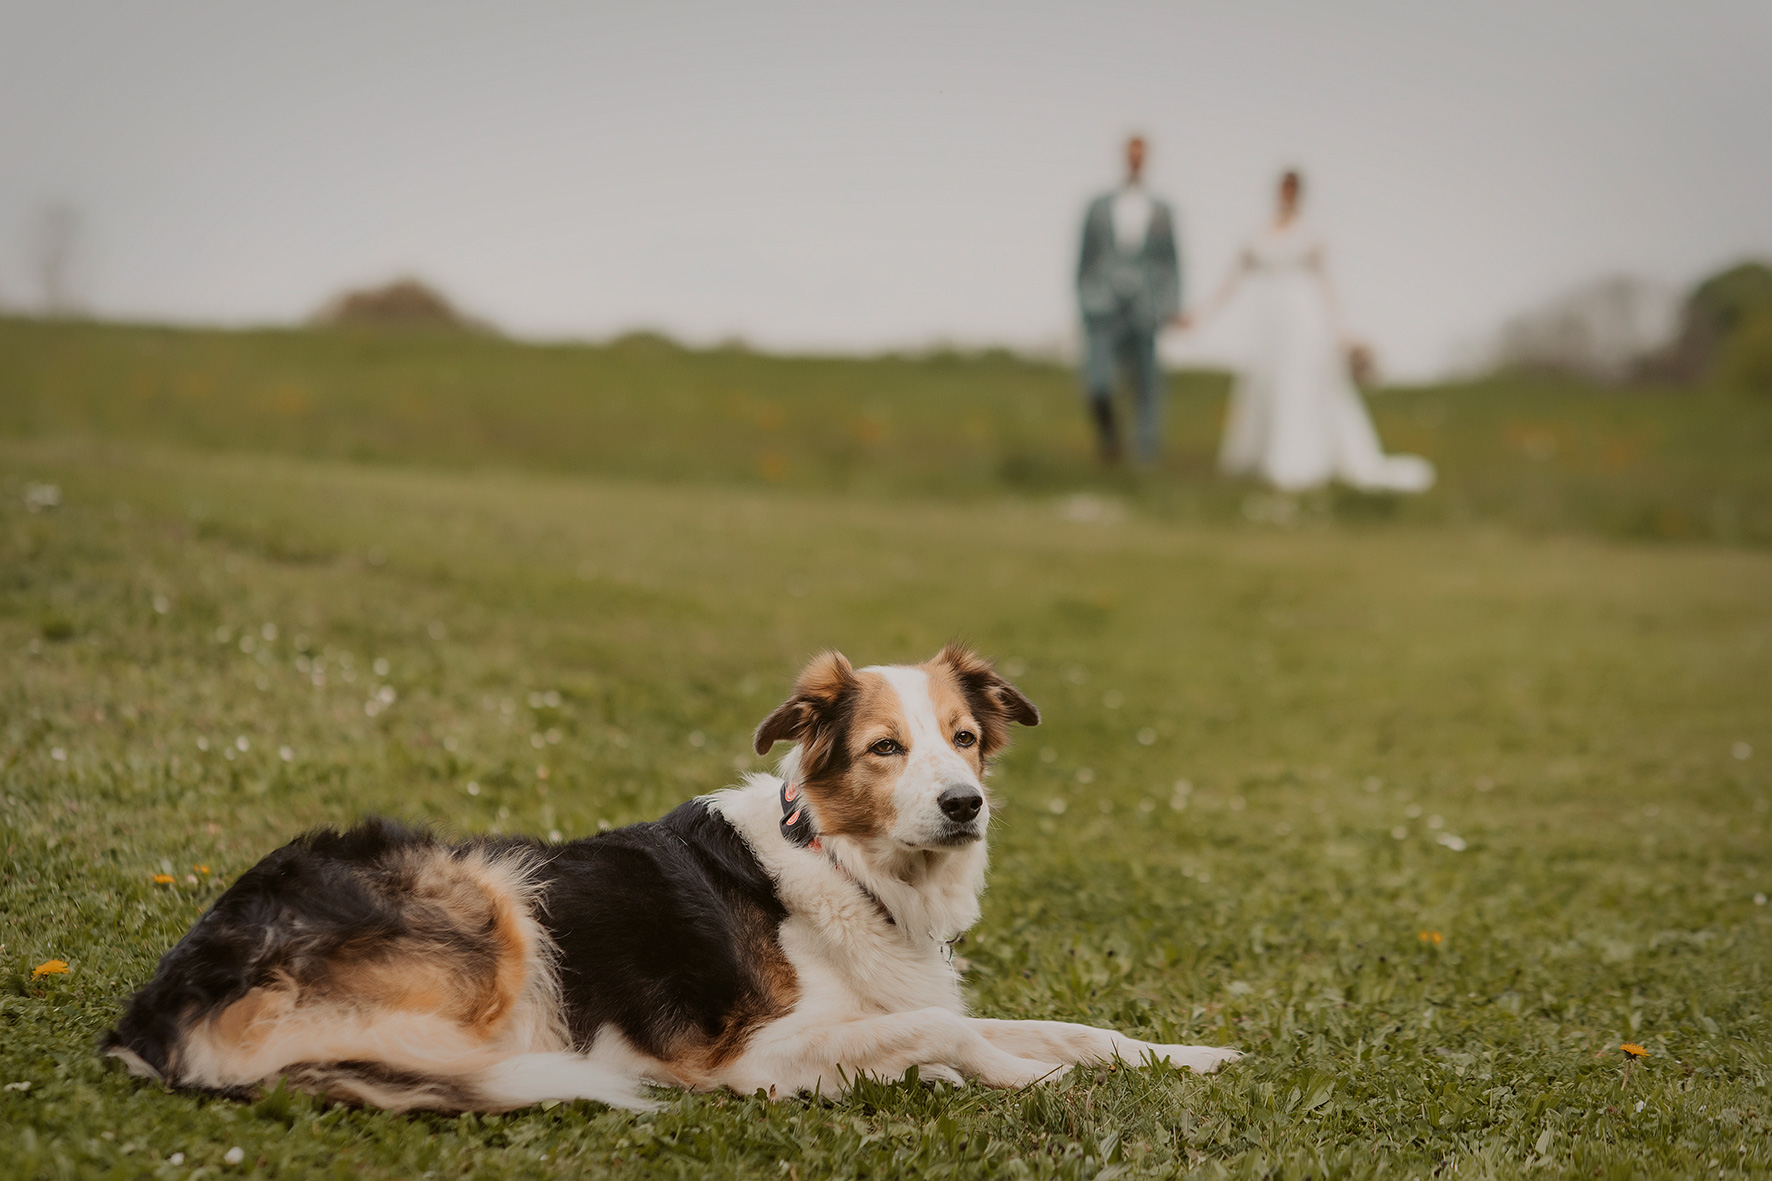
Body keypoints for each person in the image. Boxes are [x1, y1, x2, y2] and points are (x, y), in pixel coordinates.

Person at [1189, 170, 1434, 493]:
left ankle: (1298, 461)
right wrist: (1201, 313)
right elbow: (1233, 279)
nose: (1287, 195)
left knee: (1299, 382)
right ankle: (1260, 457)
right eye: (1283, 189)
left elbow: (1325, 283)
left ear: (1299, 193)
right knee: (1266, 382)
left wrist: (1340, 329)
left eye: (1292, 190)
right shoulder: (1259, 233)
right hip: (1268, 320)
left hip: (1303, 316)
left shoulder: (1310, 234)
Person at [1075, 135, 1183, 463]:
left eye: (1141, 154)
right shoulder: (1099, 206)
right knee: (1098, 384)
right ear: (1124, 157)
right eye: (1131, 154)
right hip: (1103, 306)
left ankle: (1144, 458)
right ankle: (1110, 443)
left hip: (1145, 307)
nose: (1136, 160)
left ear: (1147, 158)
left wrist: (1171, 305)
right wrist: (1084, 299)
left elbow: (1171, 262)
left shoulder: (1162, 209)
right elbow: (1083, 258)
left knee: (1146, 386)